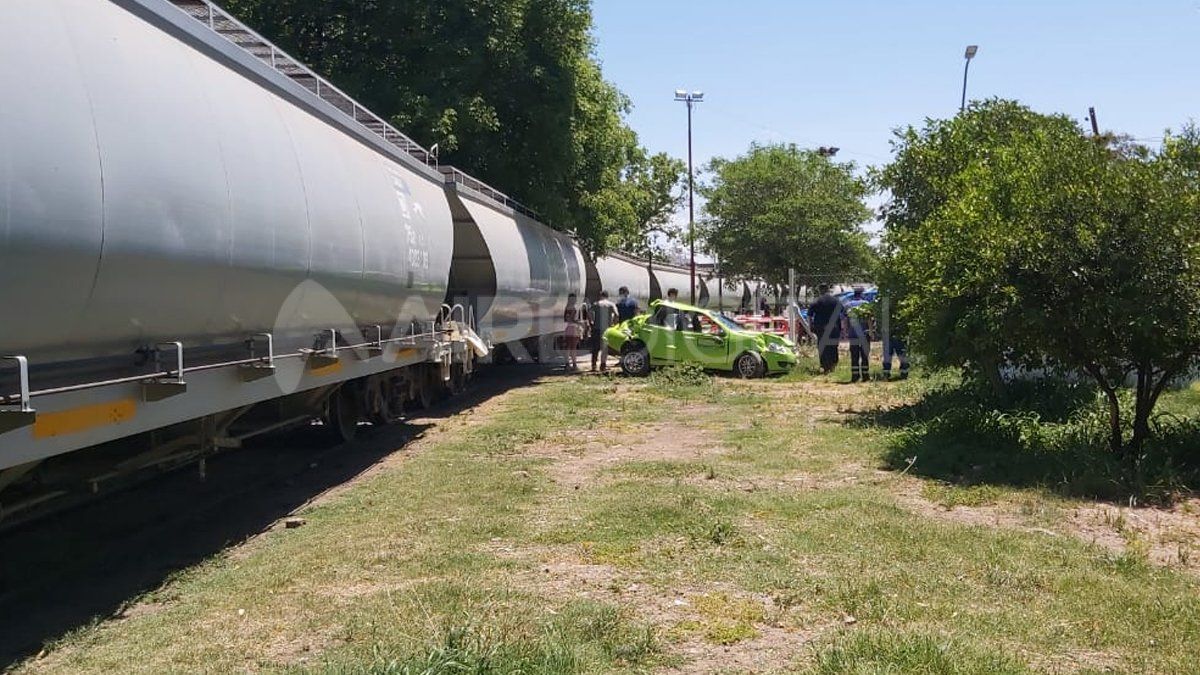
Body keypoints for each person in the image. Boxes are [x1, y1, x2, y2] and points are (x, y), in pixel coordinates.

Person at [808, 285, 844, 374]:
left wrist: (810, 326)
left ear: (820, 291)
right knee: (833, 346)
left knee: (823, 347)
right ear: (828, 290)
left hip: (821, 327)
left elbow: (809, 315)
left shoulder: (816, 301)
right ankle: (833, 365)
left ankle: (825, 367)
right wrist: (842, 327)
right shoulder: (836, 301)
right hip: (834, 327)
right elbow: (842, 314)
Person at [843, 287, 871, 383]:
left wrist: (845, 332)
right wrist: (871, 331)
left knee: (854, 355)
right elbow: (869, 319)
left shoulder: (848, 305)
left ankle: (855, 376)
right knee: (864, 355)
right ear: (862, 294)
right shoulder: (866, 304)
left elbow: (845, 320)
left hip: (853, 334)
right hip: (864, 333)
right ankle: (865, 376)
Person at [880, 298, 910, 381]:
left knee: (889, 355)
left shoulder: (885, 311)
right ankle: (903, 374)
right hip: (896, 335)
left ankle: (887, 374)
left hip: (892, 335)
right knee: (900, 354)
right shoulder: (903, 309)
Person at [590, 290, 620, 372]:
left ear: (600, 296)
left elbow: (589, 312)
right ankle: (603, 365)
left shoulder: (596, 304)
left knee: (595, 348)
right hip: (607, 329)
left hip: (596, 328)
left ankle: (593, 365)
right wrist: (614, 323)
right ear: (607, 296)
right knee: (604, 348)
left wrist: (592, 321)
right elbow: (617, 314)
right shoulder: (611, 304)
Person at [562, 293, 584, 371]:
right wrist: (578, 322)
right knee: (573, 347)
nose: (574, 300)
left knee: (569, 347)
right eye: (573, 299)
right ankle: (573, 364)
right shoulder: (572, 307)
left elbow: (566, 319)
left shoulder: (568, 307)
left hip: (569, 328)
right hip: (573, 328)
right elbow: (569, 319)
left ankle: (568, 364)